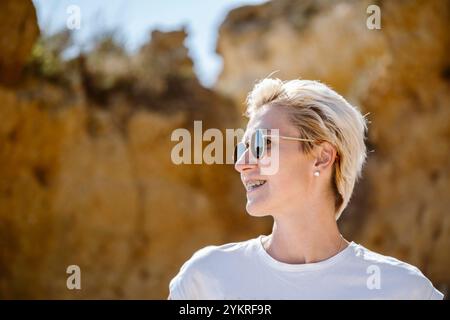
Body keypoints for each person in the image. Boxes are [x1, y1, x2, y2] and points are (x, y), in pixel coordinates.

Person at [168, 78, 444, 299]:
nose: (242, 163)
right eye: (243, 148)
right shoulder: (206, 279)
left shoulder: (403, 290)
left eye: (261, 145)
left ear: (322, 157)